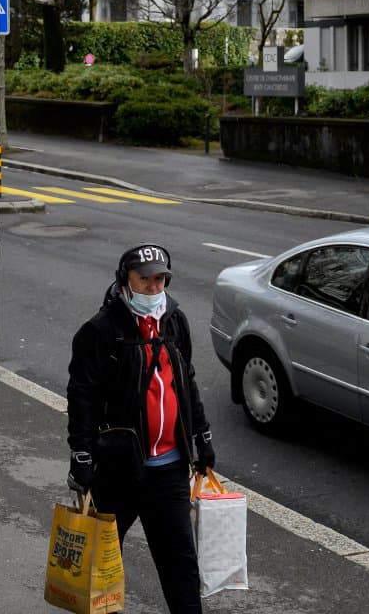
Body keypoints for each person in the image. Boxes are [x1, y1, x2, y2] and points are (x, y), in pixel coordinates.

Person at [66, 244, 215, 614]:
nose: (153, 287)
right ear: (125, 281)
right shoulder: (100, 331)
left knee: (181, 566)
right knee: (99, 566)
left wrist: (202, 437)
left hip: (170, 471)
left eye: (160, 279)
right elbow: (81, 397)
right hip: (118, 472)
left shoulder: (175, 321)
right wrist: (82, 457)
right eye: (144, 279)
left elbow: (186, 381)